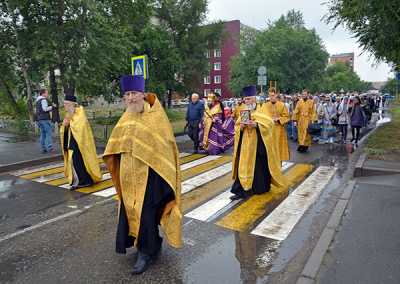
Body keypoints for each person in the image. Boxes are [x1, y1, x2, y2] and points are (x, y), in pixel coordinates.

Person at [103, 75, 182, 274]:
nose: (130, 98)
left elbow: (165, 145)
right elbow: (115, 145)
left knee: (146, 213)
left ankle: (145, 253)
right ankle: (153, 244)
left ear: (142, 94)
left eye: (134, 93)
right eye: (127, 94)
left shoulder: (155, 116)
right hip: (129, 175)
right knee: (131, 211)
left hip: (151, 175)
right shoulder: (125, 117)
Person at [230, 85, 285, 201]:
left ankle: (257, 189)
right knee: (243, 166)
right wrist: (241, 127)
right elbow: (236, 126)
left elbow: (269, 125)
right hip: (245, 145)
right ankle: (242, 190)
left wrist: (257, 125)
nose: (246, 101)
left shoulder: (262, 109)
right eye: (245, 99)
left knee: (258, 168)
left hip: (258, 145)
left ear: (254, 98)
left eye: (248, 98)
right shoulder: (244, 110)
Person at [60, 94, 102, 190]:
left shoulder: (80, 113)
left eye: (66, 104)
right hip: (72, 142)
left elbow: (80, 128)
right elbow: (65, 128)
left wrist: (69, 123)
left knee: (79, 162)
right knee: (74, 162)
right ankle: (78, 181)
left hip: (80, 144)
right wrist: (65, 125)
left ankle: (84, 181)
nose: (65, 106)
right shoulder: (69, 114)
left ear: (72, 104)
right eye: (64, 104)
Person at [262, 88, 290, 162]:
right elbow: (262, 116)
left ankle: (278, 164)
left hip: (279, 130)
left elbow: (287, 117)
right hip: (268, 130)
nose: (271, 97)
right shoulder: (265, 105)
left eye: (273, 95)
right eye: (270, 96)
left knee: (278, 148)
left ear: (276, 95)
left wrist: (279, 119)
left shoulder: (282, 105)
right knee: (269, 147)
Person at [35, 88, 56, 153]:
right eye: (47, 93)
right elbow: (45, 109)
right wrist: (52, 106)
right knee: (48, 133)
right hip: (45, 119)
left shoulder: (37, 100)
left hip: (39, 119)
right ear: (43, 93)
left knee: (43, 134)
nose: (47, 94)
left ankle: (43, 148)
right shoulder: (43, 100)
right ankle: (50, 148)